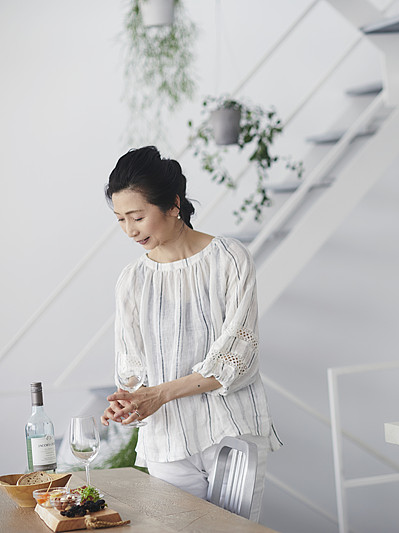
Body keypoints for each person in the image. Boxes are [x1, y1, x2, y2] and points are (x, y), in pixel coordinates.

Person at [100, 146, 282, 521]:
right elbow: (133, 370)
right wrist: (130, 403)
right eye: (120, 219)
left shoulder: (229, 259)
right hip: (167, 441)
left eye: (137, 216)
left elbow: (237, 360)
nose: (130, 230)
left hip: (231, 433)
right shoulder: (132, 280)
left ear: (172, 205)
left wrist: (158, 394)